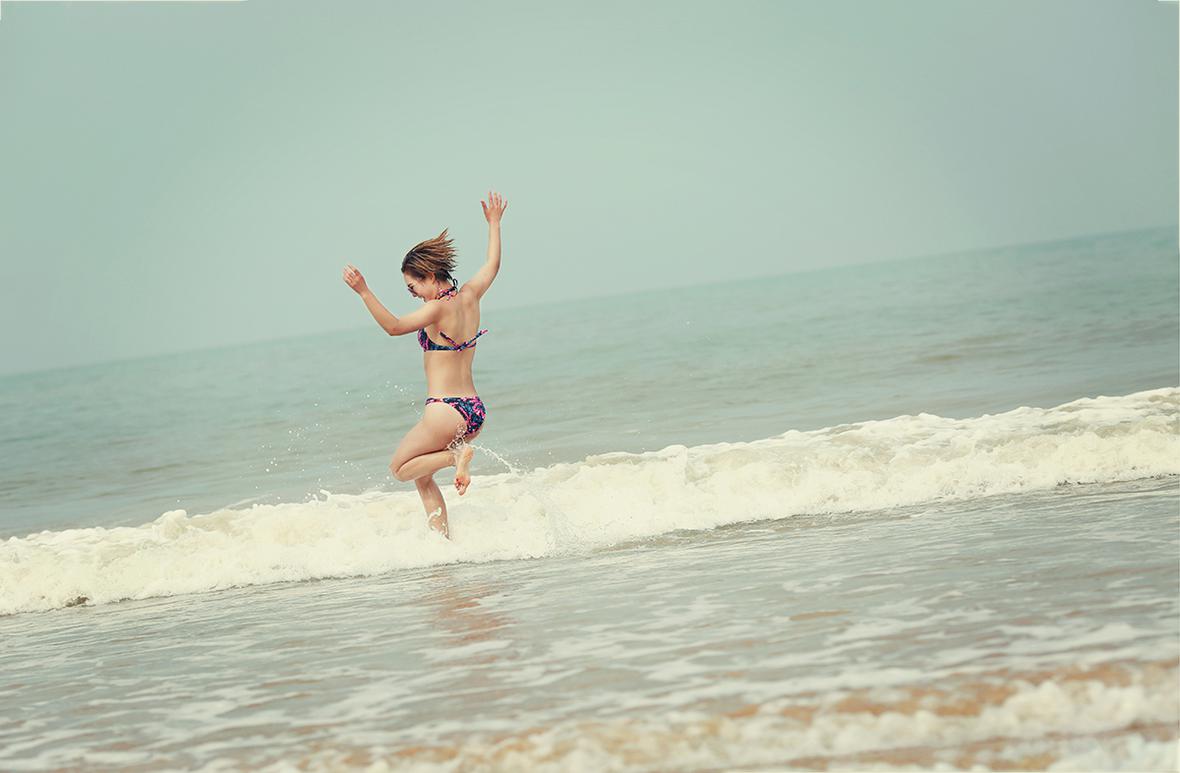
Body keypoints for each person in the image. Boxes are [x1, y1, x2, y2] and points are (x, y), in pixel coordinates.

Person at [342, 190, 507, 538]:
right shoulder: (471, 295)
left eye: (412, 286)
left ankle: (456, 457)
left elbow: (394, 327)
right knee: (421, 476)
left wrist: (364, 292)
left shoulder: (436, 308)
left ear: (430, 275)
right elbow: (492, 264)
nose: (413, 293)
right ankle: (440, 543)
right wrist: (494, 223)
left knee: (400, 468)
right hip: (474, 410)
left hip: (445, 410)